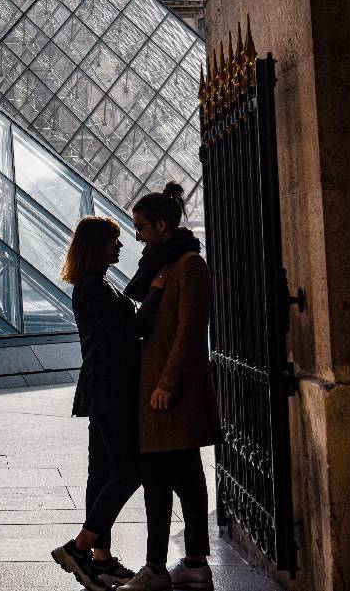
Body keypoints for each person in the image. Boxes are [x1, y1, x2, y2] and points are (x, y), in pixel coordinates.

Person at [52, 216, 167, 590]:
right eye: (114, 241)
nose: (120, 246)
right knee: (130, 469)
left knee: (101, 475)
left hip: (102, 389)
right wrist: (155, 293)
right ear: (98, 246)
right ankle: (81, 546)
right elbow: (129, 331)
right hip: (110, 391)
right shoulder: (93, 288)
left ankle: (100, 561)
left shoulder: (95, 284)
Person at [116, 184, 220, 591]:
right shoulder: (164, 267)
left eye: (141, 226)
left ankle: (167, 566)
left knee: (179, 482)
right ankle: (178, 563)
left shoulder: (189, 265)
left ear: (162, 225)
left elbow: (190, 333)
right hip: (158, 393)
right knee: (170, 479)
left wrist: (167, 384)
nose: (136, 234)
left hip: (171, 394)